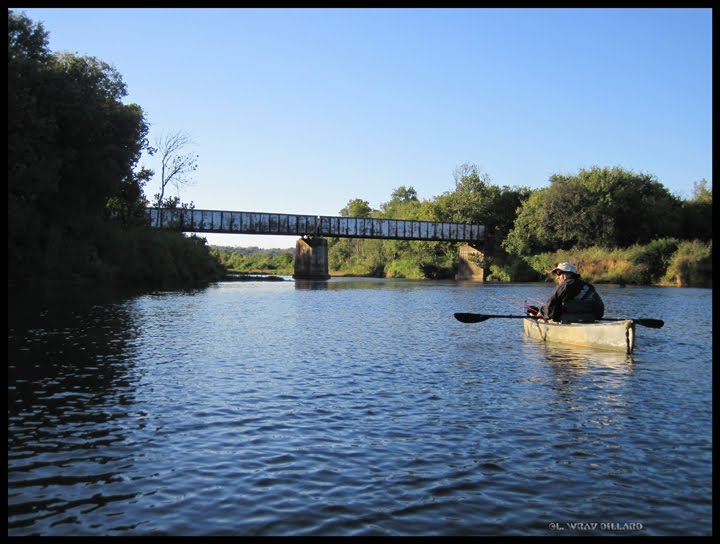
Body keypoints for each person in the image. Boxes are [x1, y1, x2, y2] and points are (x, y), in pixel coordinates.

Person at [528, 262, 605, 323]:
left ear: (568, 274)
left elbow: (550, 310)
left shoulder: (563, 286)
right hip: (591, 320)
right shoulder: (588, 286)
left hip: (570, 322)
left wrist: (540, 312)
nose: (557, 277)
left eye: (558, 273)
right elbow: (600, 310)